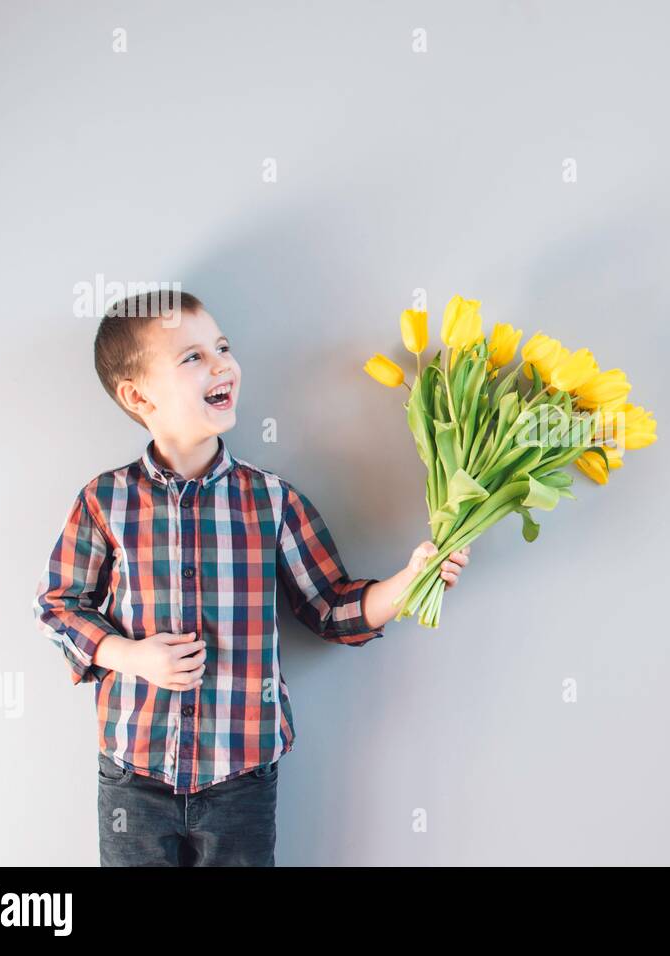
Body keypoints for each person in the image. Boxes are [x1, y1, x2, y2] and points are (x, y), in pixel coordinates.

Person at [31, 289, 470, 865]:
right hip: (132, 772)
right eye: (192, 358)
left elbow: (332, 607)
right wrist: (132, 656)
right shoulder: (105, 500)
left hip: (241, 775)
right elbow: (59, 606)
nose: (221, 365)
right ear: (138, 395)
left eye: (222, 347)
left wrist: (408, 582)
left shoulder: (272, 501)